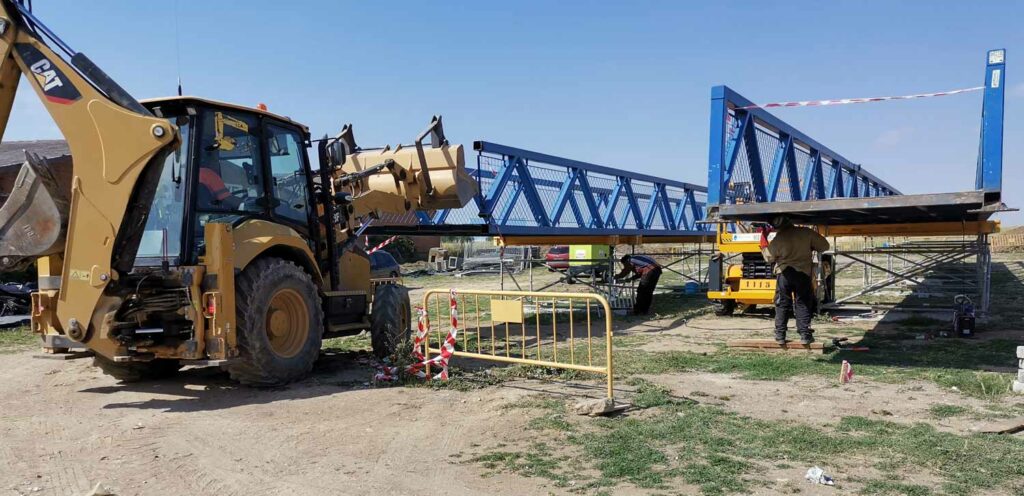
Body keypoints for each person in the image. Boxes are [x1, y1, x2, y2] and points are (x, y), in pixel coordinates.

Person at [760, 215, 830, 345]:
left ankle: (780, 335)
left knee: (782, 303)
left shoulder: (779, 238)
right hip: (803, 273)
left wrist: (763, 240)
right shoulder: (806, 233)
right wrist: (810, 246)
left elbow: (768, 257)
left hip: (784, 273)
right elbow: (825, 246)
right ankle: (805, 334)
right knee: (803, 302)